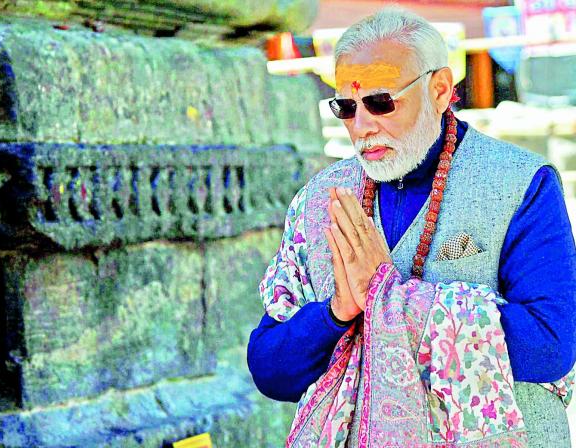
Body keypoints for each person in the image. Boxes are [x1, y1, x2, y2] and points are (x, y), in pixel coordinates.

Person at [247, 7, 576, 447]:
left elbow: (550, 345)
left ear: (440, 90)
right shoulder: (320, 200)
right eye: (346, 106)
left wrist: (392, 301)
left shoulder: (519, 184)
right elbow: (270, 369)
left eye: (381, 102)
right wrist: (336, 313)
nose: (362, 126)